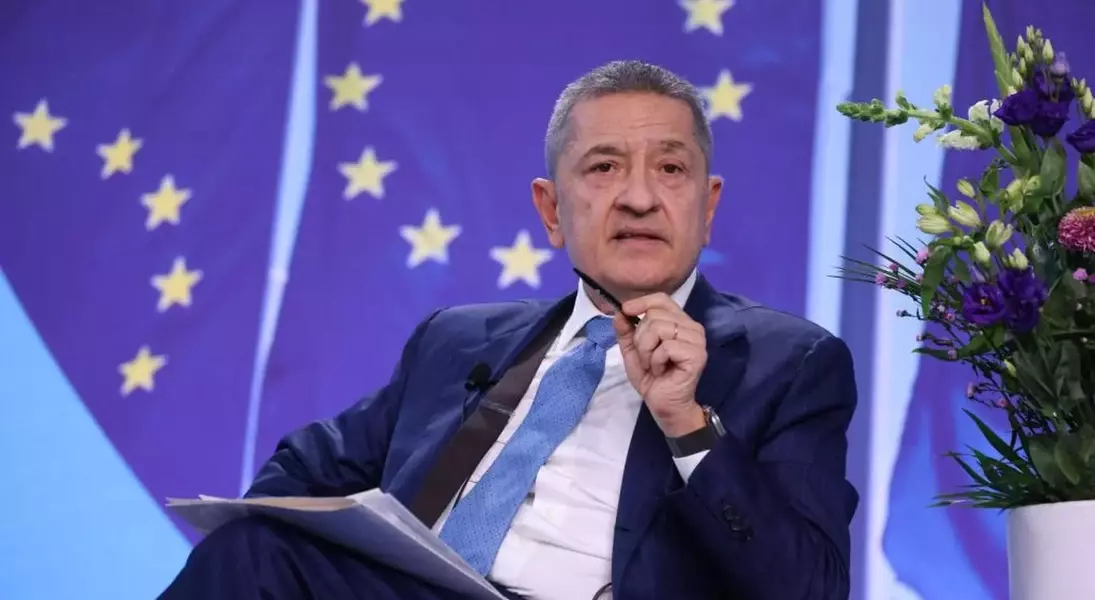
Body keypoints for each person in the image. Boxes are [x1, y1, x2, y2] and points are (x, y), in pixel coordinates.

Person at [160, 60, 859, 600]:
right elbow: (299, 477)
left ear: (707, 208)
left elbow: (809, 588)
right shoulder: (458, 340)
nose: (640, 197)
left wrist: (688, 425)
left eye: (670, 168)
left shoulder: (788, 362)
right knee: (250, 551)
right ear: (551, 211)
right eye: (604, 167)